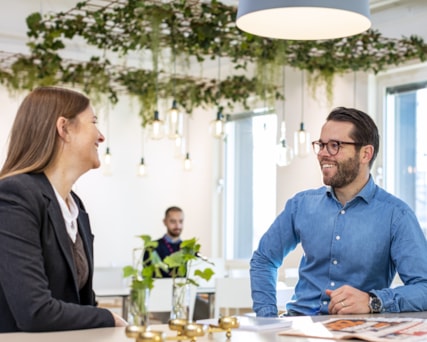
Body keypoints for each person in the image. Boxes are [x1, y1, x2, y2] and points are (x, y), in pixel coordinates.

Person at [250, 106, 427, 317]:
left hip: (357, 331)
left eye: (335, 146)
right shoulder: (301, 205)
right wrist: (268, 318)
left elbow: (423, 287)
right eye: (321, 145)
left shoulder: (396, 216)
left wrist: (374, 301)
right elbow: (264, 259)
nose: (323, 154)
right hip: (298, 328)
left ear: (365, 154)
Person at [0, 86, 127, 332]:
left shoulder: (75, 207)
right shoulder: (14, 196)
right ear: (64, 128)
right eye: (94, 122)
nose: (101, 136)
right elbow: (34, 312)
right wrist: (107, 318)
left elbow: (81, 301)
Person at [151, 206, 184, 278]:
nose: (178, 226)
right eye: (173, 221)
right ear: (165, 222)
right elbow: (152, 276)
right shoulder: (153, 248)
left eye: (180, 221)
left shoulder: (188, 249)